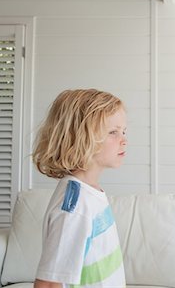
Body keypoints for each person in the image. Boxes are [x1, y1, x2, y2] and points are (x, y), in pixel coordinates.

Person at [32, 89, 127, 288]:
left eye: (124, 131)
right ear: (81, 137)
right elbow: (49, 284)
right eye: (113, 132)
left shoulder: (90, 194)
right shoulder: (75, 207)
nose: (124, 140)